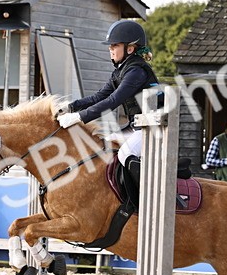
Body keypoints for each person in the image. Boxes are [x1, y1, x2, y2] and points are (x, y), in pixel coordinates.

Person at [56, 19, 158, 171]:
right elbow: (98, 97)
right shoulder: (120, 72)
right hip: (137, 127)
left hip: (154, 129)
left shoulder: (136, 72)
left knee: (125, 154)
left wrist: (79, 117)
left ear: (130, 49)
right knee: (103, 146)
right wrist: (70, 107)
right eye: (110, 46)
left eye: (115, 45)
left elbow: (113, 100)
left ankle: (137, 195)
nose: (110, 49)